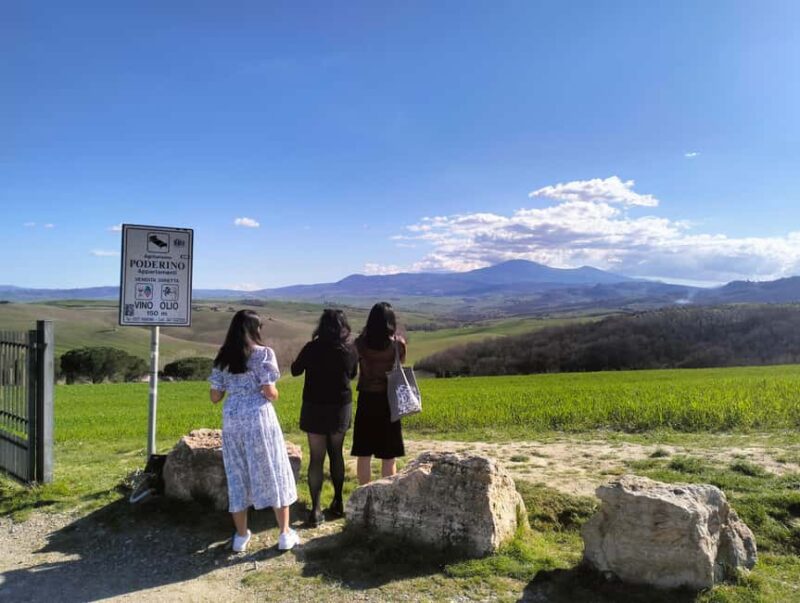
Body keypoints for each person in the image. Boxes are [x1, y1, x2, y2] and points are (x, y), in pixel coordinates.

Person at [209, 309, 299, 552]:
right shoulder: (263, 354)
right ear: (254, 329)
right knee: (273, 468)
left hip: (232, 420)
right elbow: (270, 393)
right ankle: (284, 533)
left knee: (237, 474)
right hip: (259, 418)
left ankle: (240, 536)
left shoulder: (223, 356)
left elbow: (215, 396)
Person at [291, 309, 358, 526]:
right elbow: (352, 374)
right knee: (336, 454)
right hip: (340, 406)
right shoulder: (349, 349)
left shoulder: (312, 347)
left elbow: (295, 370)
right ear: (343, 326)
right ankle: (338, 502)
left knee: (316, 458)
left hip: (314, 406)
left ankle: (316, 510)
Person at [351, 301, 406, 484]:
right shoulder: (398, 345)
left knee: (364, 453)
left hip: (366, 399)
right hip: (389, 401)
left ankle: (363, 494)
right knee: (388, 456)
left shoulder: (359, 344)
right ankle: (387, 495)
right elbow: (400, 364)